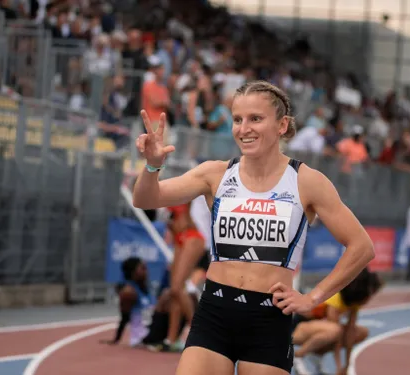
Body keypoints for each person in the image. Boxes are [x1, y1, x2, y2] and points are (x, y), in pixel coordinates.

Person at [133, 80, 374, 375]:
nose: (243, 128)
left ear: (282, 125)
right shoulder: (215, 174)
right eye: (237, 119)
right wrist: (153, 166)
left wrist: (313, 298)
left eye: (255, 119)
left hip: (268, 321)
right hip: (215, 314)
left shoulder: (306, 181)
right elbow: (145, 197)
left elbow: (362, 246)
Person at [291, 268, 384, 375]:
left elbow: (350, 333)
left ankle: (316, 354)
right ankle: (298, 355)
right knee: (335, 330)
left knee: (361, 332)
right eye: (371, 294)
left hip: (317, 328)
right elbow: (337, 339)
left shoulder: (354, 304)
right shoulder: (336, 299)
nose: (370, 299)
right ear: (362, 290)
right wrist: (339, 366)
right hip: (298, 328)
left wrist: (348, 365)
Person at [158, 201, 206, 351]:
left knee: (177, 288)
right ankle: (171, 339)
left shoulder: (184, 195)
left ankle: (198, 331)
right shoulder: (162, 199)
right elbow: (171, 227)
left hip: (192, 236)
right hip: (179, 240)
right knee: (175, 291)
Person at [102, 257, 154, 346]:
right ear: (133, 272)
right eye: (143, 268)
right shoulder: (129, 292)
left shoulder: (147, 287)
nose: (146, 271)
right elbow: (125, 317)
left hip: (153, 333)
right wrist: (116, 338)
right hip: (142, 337)